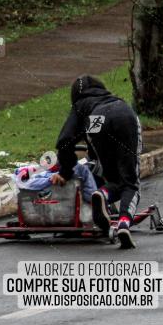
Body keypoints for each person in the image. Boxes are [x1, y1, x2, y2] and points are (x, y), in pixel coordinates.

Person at [52, 75, 142, 249]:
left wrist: (65, 171)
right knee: (130, 181)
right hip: (124, 114)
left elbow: (65, 140)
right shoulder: (111, 99)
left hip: (97, 119)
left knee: (114, 179)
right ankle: (123, 224)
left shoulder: (81, 106)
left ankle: (101, 194)